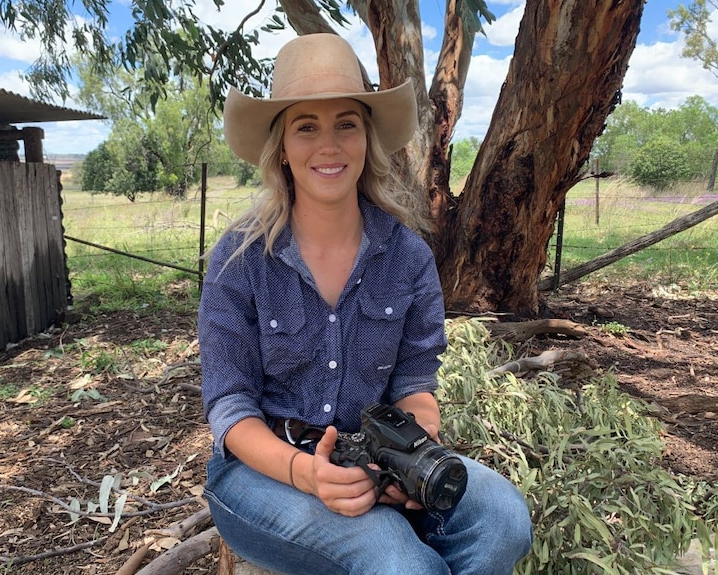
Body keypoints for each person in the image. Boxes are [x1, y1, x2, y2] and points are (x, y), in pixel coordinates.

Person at [199, 33, 532, 575]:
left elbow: (414, 385)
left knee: (503, 521)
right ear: (281, 146)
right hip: (258, 475)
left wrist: (411, 461)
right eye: (306, 126)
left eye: (345, 124)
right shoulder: (240, 261)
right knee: (397, 560)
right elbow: (230, 411)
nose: (328, 145)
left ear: (367, 139)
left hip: (372, 460)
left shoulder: (407, 258)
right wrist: (309, 474)